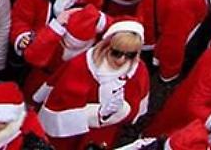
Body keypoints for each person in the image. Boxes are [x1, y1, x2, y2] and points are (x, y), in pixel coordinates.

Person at [38, 19, 151, 149]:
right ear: (107, 45)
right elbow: (61, 107)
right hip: (69, 134)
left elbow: (134, 110)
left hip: (103, 135)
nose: (121, 60)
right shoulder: (81, 65)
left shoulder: (138, 70)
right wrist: (97, 113)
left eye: (129, 55)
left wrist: (121, 110)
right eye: (116, 53)